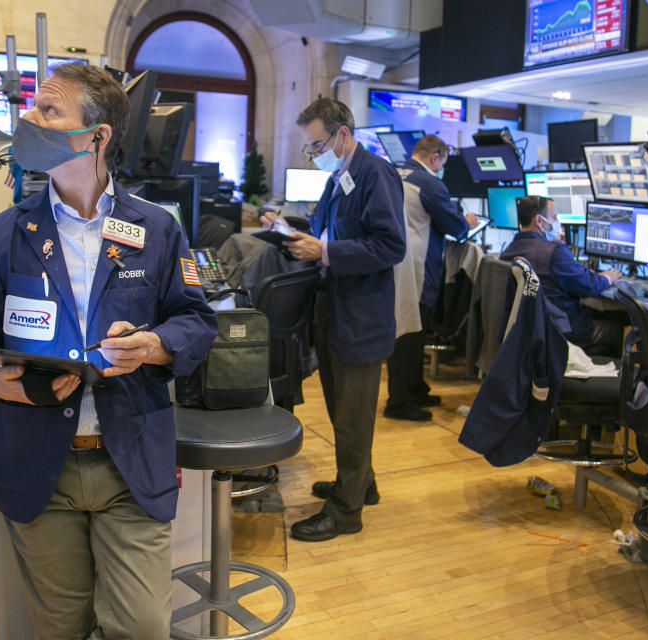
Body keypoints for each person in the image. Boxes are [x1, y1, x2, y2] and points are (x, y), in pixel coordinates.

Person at [0, 63, 217, 639]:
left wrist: (155, 345)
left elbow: (196, 319)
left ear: (98, 136)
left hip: (130, 461)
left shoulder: (159, 229)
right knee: (60, 626)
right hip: (39, 461)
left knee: (140, 627)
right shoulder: (2, 234)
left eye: (48, 110)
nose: (28, 118)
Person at [261, 98, 406, 542]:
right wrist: (289, 230)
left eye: (316, 145)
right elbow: (329, 229)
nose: (313, 154)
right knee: (346, 410)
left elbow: (389, 245)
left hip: (360, 317)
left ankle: (346, 511)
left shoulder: (374, 173)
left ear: (343, 134)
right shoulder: (340, 175)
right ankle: (362, 482)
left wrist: (325, 252)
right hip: (335, 309)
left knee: (351, 417)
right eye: (307, 149)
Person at [385, 135, 478, 421]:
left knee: (408, 331)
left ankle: (415, 389)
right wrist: (469, 223)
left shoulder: (392, 173)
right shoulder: (430, 184)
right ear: (435, 156)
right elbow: (456, 228)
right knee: (411, 334)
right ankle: (400, 402)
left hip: (393, 264)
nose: (441, 169)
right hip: (417, 267)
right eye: (443, 163)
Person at [500, 195, 622, 356]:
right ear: (539, 221)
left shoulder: (508, 252)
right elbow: (587, 285)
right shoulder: (553, 251)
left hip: (528, 333)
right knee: (617, 331)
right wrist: (608, 277)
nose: (558, 222)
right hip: (560, 331)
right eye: (554, 217)